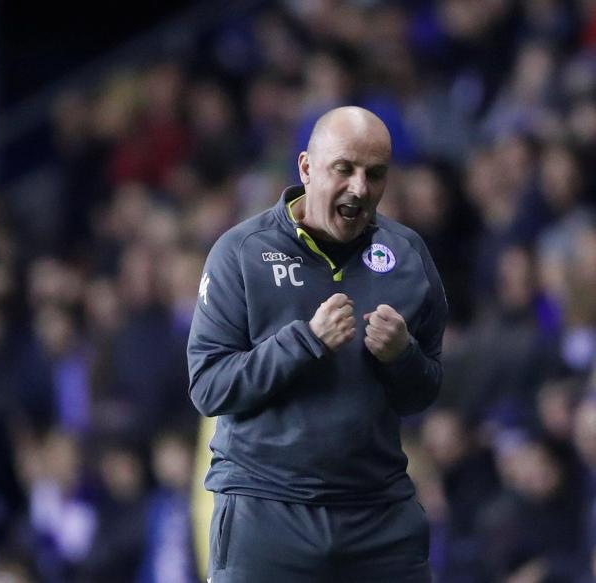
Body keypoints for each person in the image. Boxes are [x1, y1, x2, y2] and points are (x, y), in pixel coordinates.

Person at [187, 106, 447, 582]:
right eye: (343, 169)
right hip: (267, 514)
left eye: (375, 174)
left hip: (377, 518)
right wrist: (304, 342)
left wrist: (402, 357)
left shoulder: (409, 257)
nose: (359, 188)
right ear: (306, 167)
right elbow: (209, 387)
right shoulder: (240, 253)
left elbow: (423, 392)